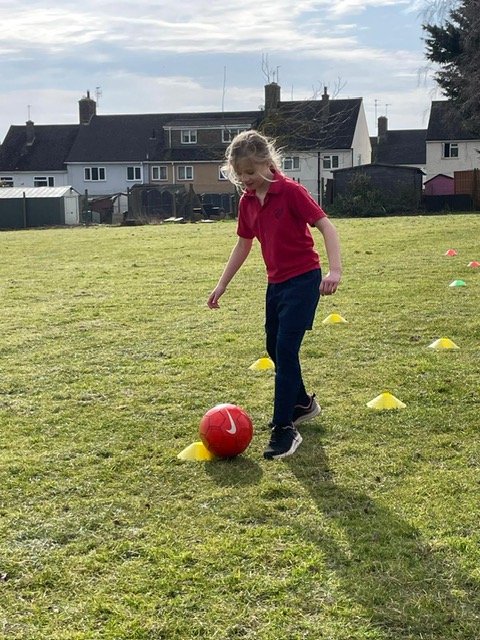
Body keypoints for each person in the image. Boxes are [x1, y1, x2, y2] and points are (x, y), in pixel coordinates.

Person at [207, 130, 342, 460]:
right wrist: (222, 284)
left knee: (285, 347)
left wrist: (334, 270)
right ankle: (303, 404)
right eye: (240, 175)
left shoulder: (292, 192)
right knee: (274, 347)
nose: (246, 180)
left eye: (251, 172)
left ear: (268, 164)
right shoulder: (247, 202)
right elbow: (243, 243)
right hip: (276, 284)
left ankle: (284, 428)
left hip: (304, 281)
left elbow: (326, 226)